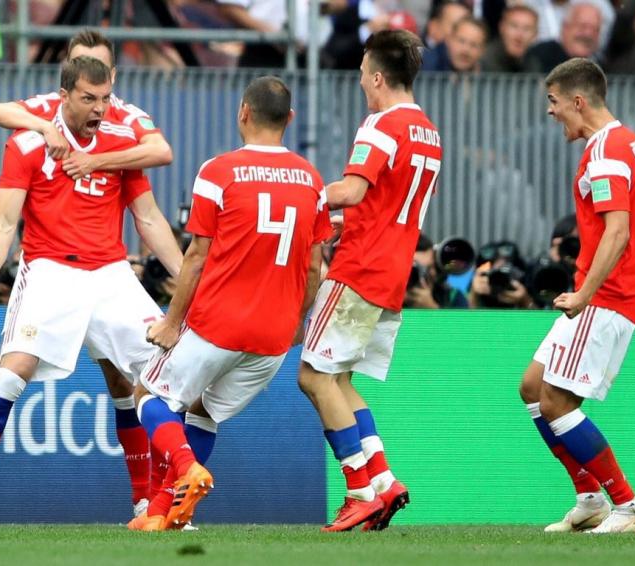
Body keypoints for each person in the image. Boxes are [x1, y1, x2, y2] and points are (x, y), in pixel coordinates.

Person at [0, 56, 183, 529]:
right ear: (64, 95)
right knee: (13, 374)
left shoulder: (120, 145)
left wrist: (194, 288)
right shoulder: (29, 142)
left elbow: (149, 219)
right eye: (88, 98)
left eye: (106, 98)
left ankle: (148, 502)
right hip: (50, 269)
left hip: (111, 273)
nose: (99, 108)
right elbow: (5, 221)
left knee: (158, 377)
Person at [129, 76, 330, 531]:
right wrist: (298, 324)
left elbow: (196, 256)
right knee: (204, 412)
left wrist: (171, 323)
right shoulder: (312, 180)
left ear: (243, 112)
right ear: (290, 119)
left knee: (147, 395)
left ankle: (185, 468)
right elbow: (315, 266)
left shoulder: (219, 171)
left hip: (217, 324)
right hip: (274, 338)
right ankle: (164, 515)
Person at [298, 30, 441, 532]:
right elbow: (387, 206)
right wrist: (341, 221)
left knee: (313, 376)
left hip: (359, 270)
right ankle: (383, 481)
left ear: (378, 77)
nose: (361, 84)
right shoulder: (428, 131)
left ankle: (358, 489)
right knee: (340, 381)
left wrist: (306, 196)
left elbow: (354, 190)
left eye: (362, 76)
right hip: (393, 275)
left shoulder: (381, 126)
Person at [519, 58, 635, 534]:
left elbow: (618, 232)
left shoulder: (603, 155)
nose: (550, 111)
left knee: (557, 402)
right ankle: (589, 498)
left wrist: (585, 293)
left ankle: (627, 506)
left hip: (603, 296)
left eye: (554, 102)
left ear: (578, 102)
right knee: (533, 388)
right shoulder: (631, 144)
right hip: (615, 291)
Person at [0, 29, 173, 180]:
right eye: (79, 64)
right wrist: (46, 127)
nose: (89, 71)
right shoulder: (51, 104)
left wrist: (95, 162)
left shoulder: (126, 115)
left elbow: (161, 151)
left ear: (112, 75)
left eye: (98, 66)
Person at [526, 3, 603, 74]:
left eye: (595, 29)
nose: (588, 34)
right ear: (565, 27)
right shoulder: (539, 57)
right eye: (582, 26)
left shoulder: (602, 67)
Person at [481, 5, 539, 73]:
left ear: (535, 35)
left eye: (527, 29)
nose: (519, 35)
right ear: (502, 28)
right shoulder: (483, 61)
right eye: (514, 26)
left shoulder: (534, 65)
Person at [422, 16, 487, 73]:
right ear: (448, 39)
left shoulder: (485, 74)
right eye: (461, 41)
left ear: (482, 51)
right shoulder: (424, 65)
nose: (466, 50)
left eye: (474, 45)